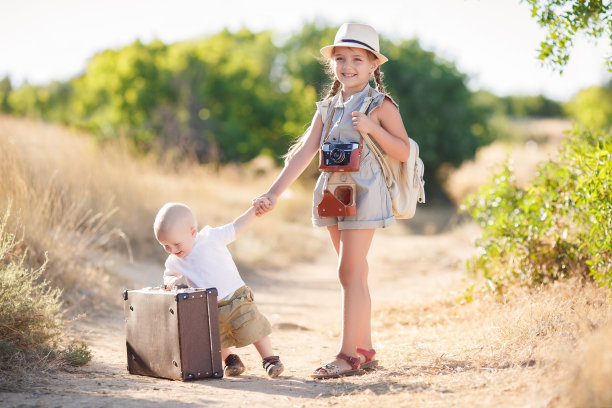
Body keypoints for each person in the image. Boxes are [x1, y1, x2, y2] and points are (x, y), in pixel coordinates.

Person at [253, 23, 411, 379]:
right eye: (341, 58)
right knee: (357, 271)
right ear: (332, 65)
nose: (348, 65)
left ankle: (346, 355)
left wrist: (373, 129)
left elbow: (402, 151)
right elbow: (304, 153)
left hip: (366, 195)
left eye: (357, 58)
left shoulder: (380, 104)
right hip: (333, 196)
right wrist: (273, 193)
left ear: (373, 66)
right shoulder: (327, 106)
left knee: (348, 271)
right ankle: (365, 351)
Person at [154, 202, 284, 378]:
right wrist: (171, 282)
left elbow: (236, 226)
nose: (172, 250)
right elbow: (168, 274)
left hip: (236, 297)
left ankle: (270, 359)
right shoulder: (174, 260)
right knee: (215, 336)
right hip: (207, 305)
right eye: (166, 246)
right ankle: (231, 360)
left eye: (176, 244)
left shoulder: (210, 238)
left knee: (252, 326)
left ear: (193, 233)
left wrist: (254, 211)